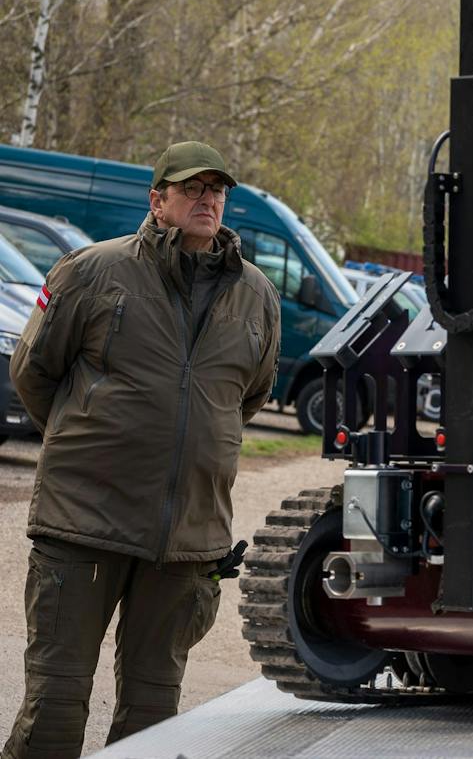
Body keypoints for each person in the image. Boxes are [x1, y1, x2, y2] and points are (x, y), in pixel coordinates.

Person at [3, 142, 280, 756]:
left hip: (185, 544)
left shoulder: (255, 293)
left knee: (154, 722)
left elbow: (248, 397)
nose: (207, 199)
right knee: (53, 709)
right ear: (157, 201)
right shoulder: (93, 270)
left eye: (217, 190)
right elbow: (34, 372)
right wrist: (93, 441)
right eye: (191, 188)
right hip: (83, 528)